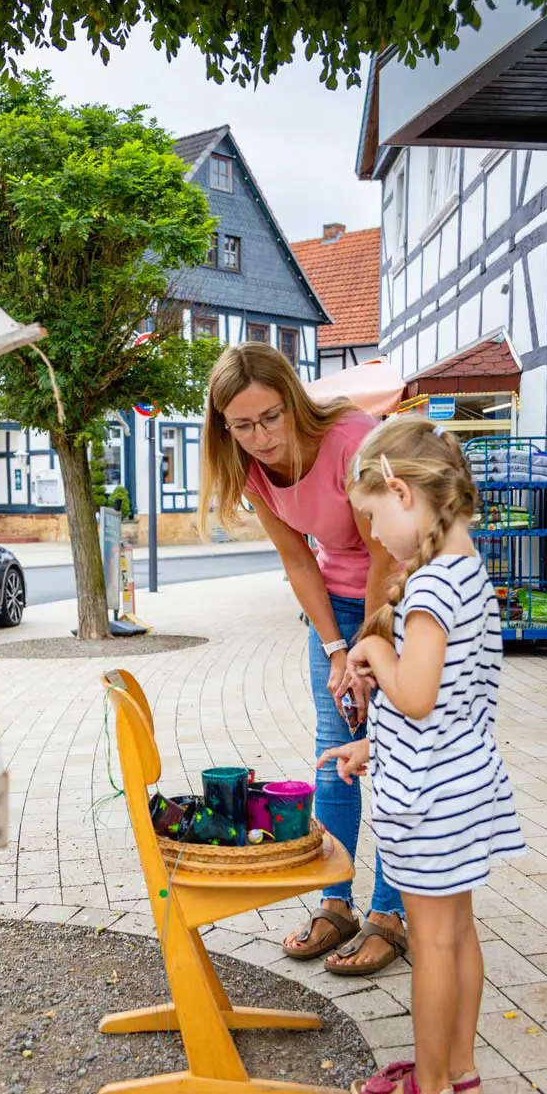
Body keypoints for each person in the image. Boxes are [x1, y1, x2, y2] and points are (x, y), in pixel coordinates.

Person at [318, 416, 525, 1094]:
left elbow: (416, 695)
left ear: (401, 492)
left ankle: (429, 1090)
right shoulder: (471, 576)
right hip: (463, 784)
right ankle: (460, 1074)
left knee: (432, 946)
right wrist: (371, 748)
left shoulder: (432, 589)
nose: (375, 538)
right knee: (458, 936)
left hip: (429, 804)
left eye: (375, 519)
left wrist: (370, 655)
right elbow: (446, 708)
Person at [198, 344, 408, 976]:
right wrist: (337, 649)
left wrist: (370, 650)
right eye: (242, 425)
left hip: (401, 597)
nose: (260, 437)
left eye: (269, 418)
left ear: (291, 402)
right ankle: (336, 902)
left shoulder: (353, 441)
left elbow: (384, 558)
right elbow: (298, 559)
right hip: (337, 604)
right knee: (334, 752)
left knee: (395, 754)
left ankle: (390, 916)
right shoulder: (249, 467)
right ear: (223, 426)